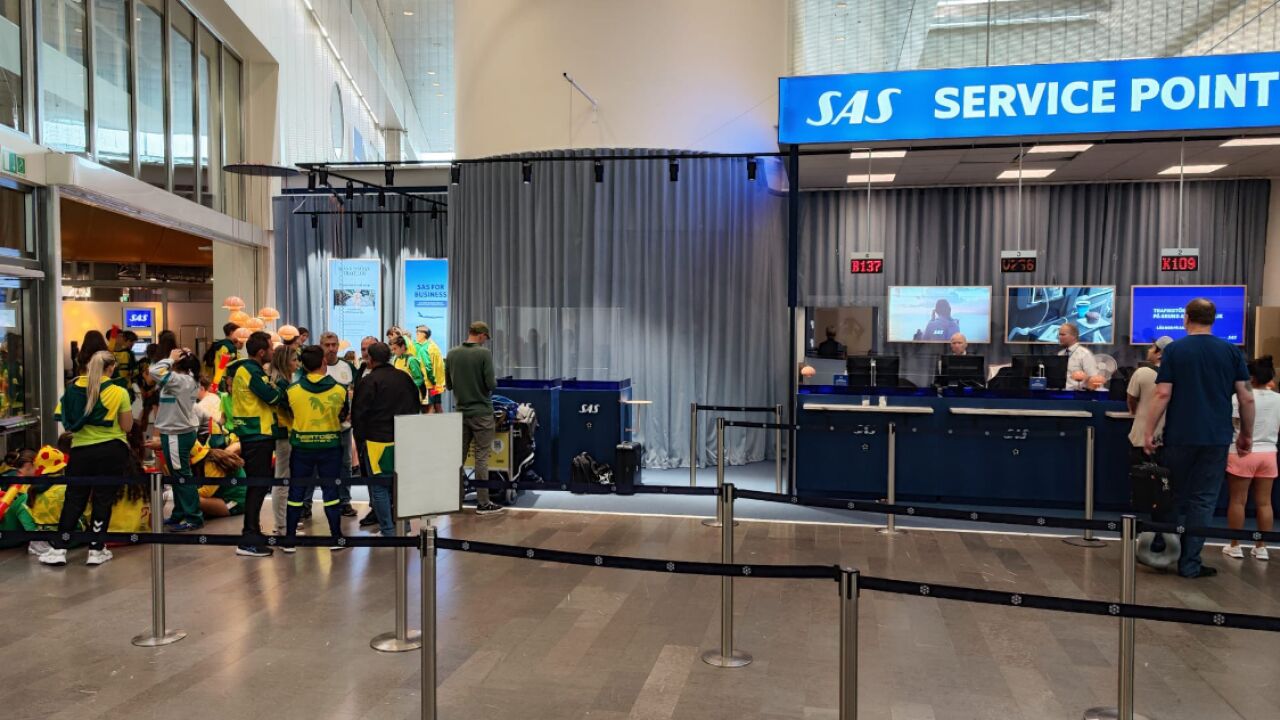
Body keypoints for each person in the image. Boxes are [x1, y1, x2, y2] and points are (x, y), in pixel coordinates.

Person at [1144, 298, 1254, 579]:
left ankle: (1164, 555)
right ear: (1213, 319)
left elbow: (1162, 394)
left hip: (1179, 435)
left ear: (1186, 318)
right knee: (1204, 500)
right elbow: (1246, 397)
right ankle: (1190, 563)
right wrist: (1246, 434)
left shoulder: (1175, 350)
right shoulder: (1231, 351)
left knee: (1171, 496)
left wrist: (1148, 430)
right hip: (1216, 436)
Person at [40, 351, 133, 566]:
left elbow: (63, 419)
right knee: (103, 499)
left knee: (74, 498)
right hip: (112, 450)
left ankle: (59, 548)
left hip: (81, 452)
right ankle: (96, 550)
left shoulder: (72, 389)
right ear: (111, 368)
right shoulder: (119, 392)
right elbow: (127, 426)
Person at [226, 331, 287, 558]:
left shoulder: (249, 370)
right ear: (261, 352)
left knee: (259, 485)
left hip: (257, 434)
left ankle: (252, 532)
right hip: (256, 435)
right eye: (270, 348)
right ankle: (248, 538)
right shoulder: (250, 371)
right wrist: (280, 390)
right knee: (257, 485)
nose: (272, 351)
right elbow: (272, 396)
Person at [283, 345, 349, 552]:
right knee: (331, 491)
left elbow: (288, 413)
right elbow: (343, 416)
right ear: (323, 362)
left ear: (303, 365)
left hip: (301, 447)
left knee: (296, 491)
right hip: (330, 447)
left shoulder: (292, 391)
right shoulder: (340, 390)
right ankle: (336, 537)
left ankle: (290, 539)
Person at [352, 342, 421, 536]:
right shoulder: (404, 378)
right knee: (400, 485)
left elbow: (359, 413)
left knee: (379, 487)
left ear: (370, 359)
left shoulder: (369, 381)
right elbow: (415, 404)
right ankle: (405, 527)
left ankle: (388, 530)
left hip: (377, 441)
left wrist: (360, 439)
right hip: (403, 437)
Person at [1223, 356, 1279, 561]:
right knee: (1265, 502)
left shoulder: (1237, 397)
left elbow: (1234, 423)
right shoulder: (1278, 399)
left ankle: (1235, 545)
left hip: (1242, 452)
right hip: (1269, 453)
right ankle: (1262, 547)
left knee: (1238, 501)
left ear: (1251, 377)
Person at [447, 321, 503, 515]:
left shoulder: (452, 353)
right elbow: (491, 384)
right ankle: (483, 503)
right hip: (482, 413)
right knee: (481, 458)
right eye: (485, 338)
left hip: (461, 412)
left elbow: (449, 384)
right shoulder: (483, 354)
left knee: (458, 458)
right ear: (481, 335)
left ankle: (454, 500)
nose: (485, 341)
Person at [151, 348, 205, 532]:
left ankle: (193, 517)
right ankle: (180, 513)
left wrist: (170, 358)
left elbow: (154, 371)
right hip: (177, 432)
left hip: (176, 433)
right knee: (178, 475)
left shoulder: (180, 380)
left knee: (181, 475)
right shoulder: (187, 379)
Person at [319, 332, 358, 517]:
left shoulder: (347, 367)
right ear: (321, 346)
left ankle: (344, 501)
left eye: (334, 344)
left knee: (345, 465)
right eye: (327, 345)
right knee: (314, 467)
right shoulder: (314, 366)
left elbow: (358, 389)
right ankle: (305, 504)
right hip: (319, 427)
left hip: (343, 427)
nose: (331, 348)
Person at [267, 343, 298, 535]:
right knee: (283, 479)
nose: (297, 364)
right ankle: (281, 524)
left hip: (284, 431)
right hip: (283, 432)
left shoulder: (279, 380)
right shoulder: (281, 384)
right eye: (294, 360)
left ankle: (284, 520)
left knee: (285, 478)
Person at [1127, 336, 1173, 463]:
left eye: (1152, 347)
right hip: (1169, 441)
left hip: (1141, 439)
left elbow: (1131, 399)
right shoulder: (1179, 375)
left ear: (1159, 354)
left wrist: (1134, 411)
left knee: (1141, 474)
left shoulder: (1142, 373)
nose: (1149, 350)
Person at [1058, 322, 1098, 391]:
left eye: (1063, 335)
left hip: (1077, 394)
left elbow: (1093, 378)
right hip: (1060, 393)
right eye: (1059, 334)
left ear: (1073, 336)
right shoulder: (1060, 354)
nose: (1059, 337)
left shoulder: (1084, 354)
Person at [416, 326, 447, 414]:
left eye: (418, 332)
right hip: (438, 384)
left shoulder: (424, 349)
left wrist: (432, 380)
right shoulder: (435, 346)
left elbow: (428, 367)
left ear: (424, 334)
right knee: (438, 406)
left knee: (429, 408)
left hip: (429, 384)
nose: (416, 334)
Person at [204, 322, 241, 388]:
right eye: (238, 333)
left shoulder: (221, 344)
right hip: (224, 378)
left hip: (218, 377)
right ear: (232, 332)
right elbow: (224, 363)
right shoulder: (227, 347)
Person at [390, 335, 427, 402]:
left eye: (395, 349)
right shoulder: (395, 359)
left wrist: (407, 387)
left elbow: (419, 379)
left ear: (403, 347)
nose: (393, 352)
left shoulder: (411, 360)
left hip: (412, 396)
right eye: (392, 349)